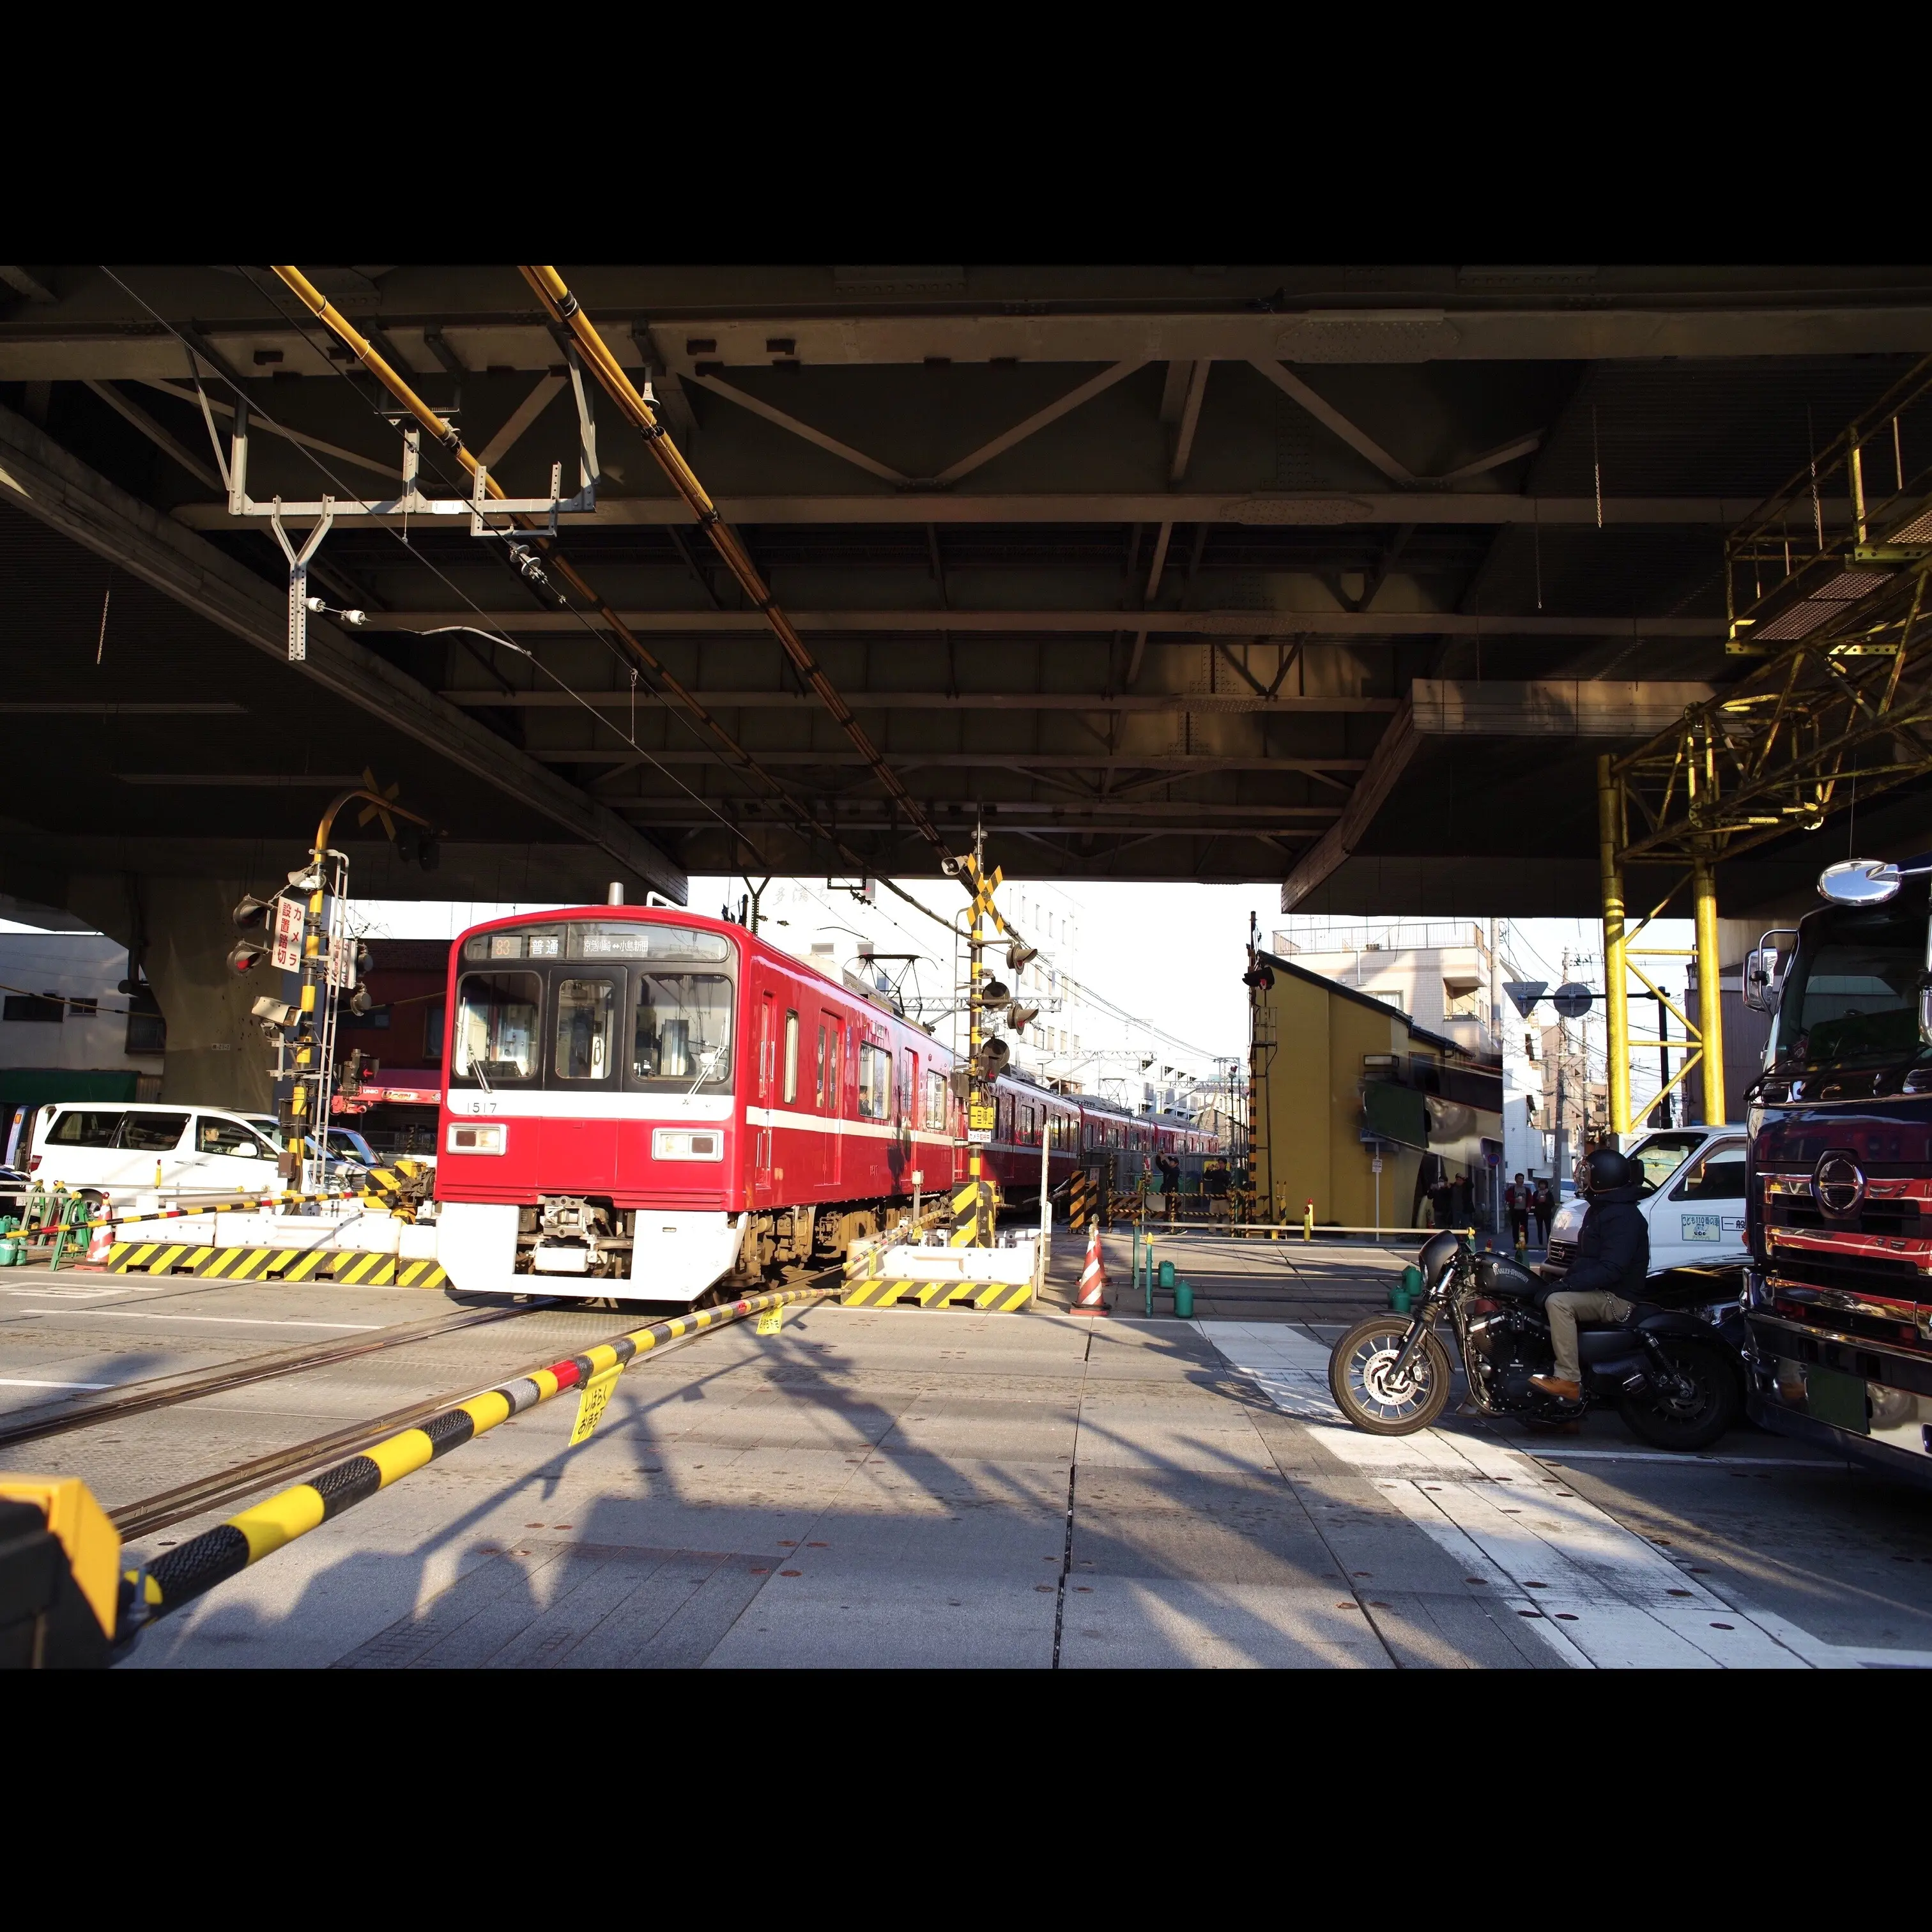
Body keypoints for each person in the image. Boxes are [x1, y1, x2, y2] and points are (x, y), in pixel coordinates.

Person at [1531, 1147, 1650, 1401]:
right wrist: (1560, 1280)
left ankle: (1568, 1380)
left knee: (1558, 1303)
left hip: (1615, 1298)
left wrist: (1566, 1286)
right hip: (1598, 1290)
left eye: (1587, 1175)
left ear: (1604, 1178)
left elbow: (1612, 1269)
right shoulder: (1601, 1209)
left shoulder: (1624, 1217)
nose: (1582, 1180)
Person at [1506, 1172, 1530, 1251]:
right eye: (1519, 1179)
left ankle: (1524, 1243)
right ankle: (1516, 1243)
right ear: (1516, 1180)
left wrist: (1528, 1207)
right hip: (1515, 1211)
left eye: (1522, 1179)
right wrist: (1515, 1200)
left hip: (1524, 1211)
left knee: (1525, 1228)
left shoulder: (1527, 1189)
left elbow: (1530, 1199)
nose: (1521, 1180)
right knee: (1515, 1228)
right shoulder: (1512, 1189)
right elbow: (1508, 1198)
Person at [1531, 1176, 1556, 1246]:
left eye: (1543, 1184)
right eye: (1541, 1184)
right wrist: (1538, 1200)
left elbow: (1552, 1204)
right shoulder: (1536, 1193)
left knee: (1548, 1229)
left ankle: (1549, 1243)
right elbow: (1533, 1203)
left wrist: (1545, 1201)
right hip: (1538, 1213)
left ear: (1546, 1185)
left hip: (1547, 1213)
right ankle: (1540, 1243)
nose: (1542, 1186)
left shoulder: (1549, 1193)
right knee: (1539, 1228)